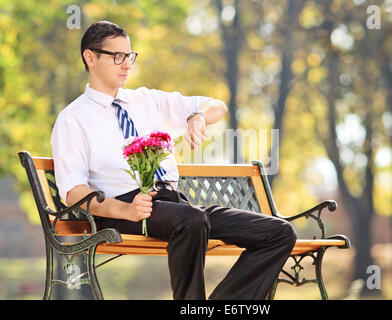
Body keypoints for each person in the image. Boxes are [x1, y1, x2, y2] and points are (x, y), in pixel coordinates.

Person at [51, 20, 297, 300]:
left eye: (129, 56)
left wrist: (198, 116)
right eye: (117, 56)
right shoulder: (73, 119)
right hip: (122, 211)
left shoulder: (146, 101)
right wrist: (127, 209)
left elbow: (217, 106)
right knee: (191, 220)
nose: (127, 65)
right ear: (90, 57)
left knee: (279, 233)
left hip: (174, 205)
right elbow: (73, 191)